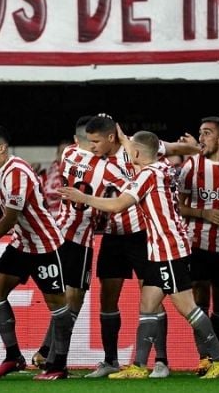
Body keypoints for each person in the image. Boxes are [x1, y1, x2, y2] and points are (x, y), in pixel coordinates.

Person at [60, 127, 219, 379]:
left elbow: (118, 204)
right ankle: (139, 366)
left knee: (188, 307)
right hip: (159, 246)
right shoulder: (162, 168)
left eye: (133, 150)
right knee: (148, 304)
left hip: (168, 248)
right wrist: (121, 138)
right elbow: (140, 151)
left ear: (139, 153)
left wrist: (83, 197)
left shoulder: (147, 176)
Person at [81, 114, 200, 379]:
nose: (92, 147)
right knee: (108, 297)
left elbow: (173, 148)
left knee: (154, 299)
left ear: (111, 137)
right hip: (113, 234)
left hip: (142, 235)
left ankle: (161, 360)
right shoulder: (92, 163)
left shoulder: (135, 150)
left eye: (96, 141)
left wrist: (197, 149)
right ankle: (110, 360)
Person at [0, 124, 74, 381]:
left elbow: (10, 219)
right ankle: (13, 357)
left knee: (58, 306)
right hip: (22, 244)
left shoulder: (17, 172)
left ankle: (58, 366)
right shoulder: (1, 172)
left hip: (44, 246)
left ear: (2, 147)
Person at [31, 116, 124, 370]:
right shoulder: (107, 167)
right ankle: (54, 359)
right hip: (81, 239)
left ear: (75, 140)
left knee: (63, 301)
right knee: (74, 302)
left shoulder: (68, 154)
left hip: (59, 231)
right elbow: (128, 181)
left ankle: (45, 351)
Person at [176, 116, 219, 375]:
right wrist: (203, 214)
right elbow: (178, 206)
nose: (201, 138)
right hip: (196, 243)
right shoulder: (191, 165)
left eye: (207, 133)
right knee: (201, 300)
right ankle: (205, 359)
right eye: (200, 133)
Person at [41, 140, 71, 217]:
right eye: (62, 152)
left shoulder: (80, 174)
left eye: (68, 153)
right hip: (48, 215)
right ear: (57, 154)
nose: (65, 156)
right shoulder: (46, 173)